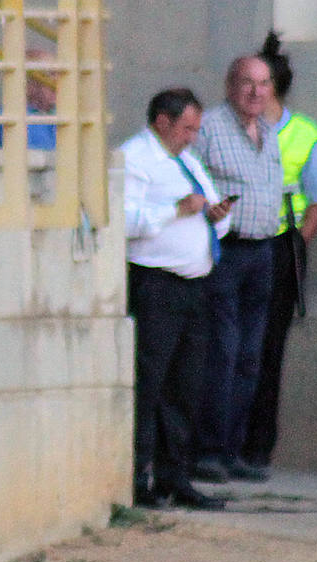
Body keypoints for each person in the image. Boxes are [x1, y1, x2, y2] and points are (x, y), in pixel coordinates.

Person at [122, 87, 234, 510]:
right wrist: (176, 210)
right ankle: (139, 478)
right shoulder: (136, 158)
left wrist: (217, 216)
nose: (192, 137)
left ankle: (175, 476)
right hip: (157, 284)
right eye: (187, 128)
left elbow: (204, 211)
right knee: (151, 384)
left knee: (185, 386)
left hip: (195, 283)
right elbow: (127, 221)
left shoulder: (186, 159)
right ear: (163, 121)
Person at [241, 32, 317, 475]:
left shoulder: (302, 132)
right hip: (238, 244)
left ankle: (257, 447)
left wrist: (297, 245)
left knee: (267, 350)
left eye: (255, 83)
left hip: (280, 246)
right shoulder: (232, 127)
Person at [190, 55, 283, 483]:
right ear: (230, 85)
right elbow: (188, 181)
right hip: (225, 252)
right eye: (247, 83)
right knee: (223, 353)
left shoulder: (270, 131)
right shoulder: (208, 127)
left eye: (263, 84)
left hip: (263, 252)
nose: (256, 92)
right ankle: (207, 450)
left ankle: (232, 450)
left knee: (250, 358)